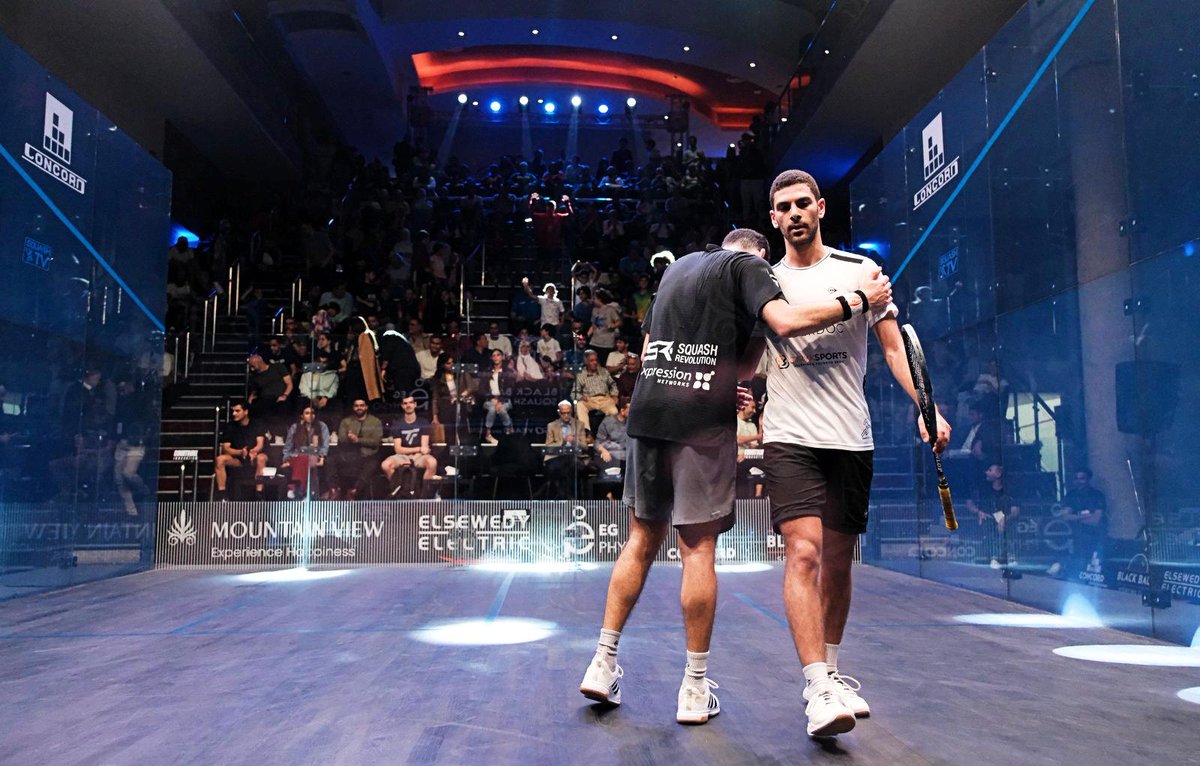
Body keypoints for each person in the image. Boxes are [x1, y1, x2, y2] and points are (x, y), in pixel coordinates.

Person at [579, 223, 893, 726]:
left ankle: (602, 661)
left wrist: (729, 384)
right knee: (697, 550)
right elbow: (785, 323)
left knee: (639, 539)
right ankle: (694, 688)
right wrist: (857, 299)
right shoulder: (749, 269)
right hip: (699, 426)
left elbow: (676, 350)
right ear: (761, 260)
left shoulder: (678, 268)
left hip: (647, 413)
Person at [755, 170, 950, 737]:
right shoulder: (763, 281)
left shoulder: (860, 270)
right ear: (773, 218)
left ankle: (833, 671)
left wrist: (926, 405)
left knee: (839, 563)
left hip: (850, 438)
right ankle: (816, 685)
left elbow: (894, 351)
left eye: (801, 204)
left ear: (819, 208)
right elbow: (756, 352)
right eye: (782, 207)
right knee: (804, 555)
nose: (793, 214)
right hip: (789, 437)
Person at [1047, 468, 1108, 577]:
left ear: (1088, 479)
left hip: (1096, 539)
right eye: (1077, 478)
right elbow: (1065, 517)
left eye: (1082, 478)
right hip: (1077, 539)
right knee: (1077, 568)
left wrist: (1076, 517)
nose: (1079, 481)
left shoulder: (1097, 495)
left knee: (1096, 569)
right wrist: (1085, 516)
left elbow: (1095, 520)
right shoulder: (1071, 496)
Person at [965, 463, 1020, 570]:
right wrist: (978, 512)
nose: (986, 472)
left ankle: (1011, 557)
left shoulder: (1010, 490)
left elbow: (1015, 511)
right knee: (988, 524)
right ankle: (993, 557)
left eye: (990, 470)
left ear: (998, 474)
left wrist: (1004, 519)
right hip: (987, 518)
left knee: (1007, 526)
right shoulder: (982, 488)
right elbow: (969, 503)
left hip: (1004, 519)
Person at [381, 394, 437, 497]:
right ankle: (399, 492)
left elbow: (425, 449)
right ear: (402, 406)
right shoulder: (397, 424)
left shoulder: (423, 422)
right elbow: (398, 449)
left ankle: (424, 497)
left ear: (415, 404)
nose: (408, 405)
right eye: (405, 403)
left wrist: (418, 453)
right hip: (402, 456)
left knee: (432, 462)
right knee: (385, 465)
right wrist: (418, 449)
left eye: (410, 403)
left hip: (419, 456)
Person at [328, 399, 384, 499]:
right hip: (349, 455)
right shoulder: (346, 421)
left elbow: (375, 442)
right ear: (353, 408)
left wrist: (358, 440)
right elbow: (342, 439)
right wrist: (350, 439)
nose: (359, 408)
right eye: (357, 406)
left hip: (367, 455)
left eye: (362, 405)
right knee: (330, 460)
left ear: (366, 407)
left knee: (372, 464)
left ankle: (354, 491)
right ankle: (334, 490)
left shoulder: (375, 422)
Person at [214, 400, 268, 499]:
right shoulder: (230, 426)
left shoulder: (256, 424)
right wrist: (240, 452)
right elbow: (226, 448)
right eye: (233, 411)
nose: (234, 413)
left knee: (262, 458)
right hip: (238, 458)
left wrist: (253, 452)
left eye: (237, 411)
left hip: (253, 457)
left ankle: (258, 494)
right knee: (220, 459)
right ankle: (222, 495)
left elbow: (260, 444)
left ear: (246, 411)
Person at [280, 405, 330, 498]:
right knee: (302, 459)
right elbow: (288, 448)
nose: (310, 416)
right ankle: (304, 493)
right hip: (297, 456)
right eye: (307, 413)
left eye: (312, 413)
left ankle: (295, 489)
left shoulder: (322, 426)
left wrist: (322, 457)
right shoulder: (295, 427)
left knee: (305, 460)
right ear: (302, 415)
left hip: (315, 456)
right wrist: (286, 460)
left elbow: (324, 447)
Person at [544, 401, 588, 498]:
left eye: (568, 412)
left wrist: (574, 441)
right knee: (566, 465)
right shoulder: (551, 426)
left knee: (573, 464)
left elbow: (585, 446)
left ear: (571, 411)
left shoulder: (579, 424)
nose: (566, 415)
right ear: (559, 413)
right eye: (564, 413)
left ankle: (565, 496)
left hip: (574, 457)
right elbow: (548, 446)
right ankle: (568, 497)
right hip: (557, 458)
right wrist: (562, 442)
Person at [571, 350, 618, 431]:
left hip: (605, 399)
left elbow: (613, 384)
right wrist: (581, 397)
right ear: (586, 362)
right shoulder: (581, 374)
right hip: (589, 400)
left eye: (596, 360)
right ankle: (586, 432)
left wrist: (614, 395)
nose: (595, 362)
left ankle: (610, 433)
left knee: (614, 411)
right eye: (592, 360)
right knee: (579, 406)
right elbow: (574, 392)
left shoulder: (604, 371)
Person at [477, 349, 515, 445]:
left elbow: (510, 389)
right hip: (489, 400)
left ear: (502, 357)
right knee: (492, 409)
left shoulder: (508, 372)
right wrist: (491, 398)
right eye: (494, 355)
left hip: (505, 399)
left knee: (501, 409)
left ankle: (508, 430)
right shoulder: (487, 372)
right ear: (491, 358)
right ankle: (489, 434)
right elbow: (481, 389)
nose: (496, 357)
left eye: (498, 355)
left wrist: (500, 401)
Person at [594, 398, 631, 472]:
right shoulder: (608, 422)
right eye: (630, 410)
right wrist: (603, 450)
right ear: (622, 411)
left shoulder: (632, 423)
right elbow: (597, 442)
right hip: (610, 454)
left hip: (626, 454)